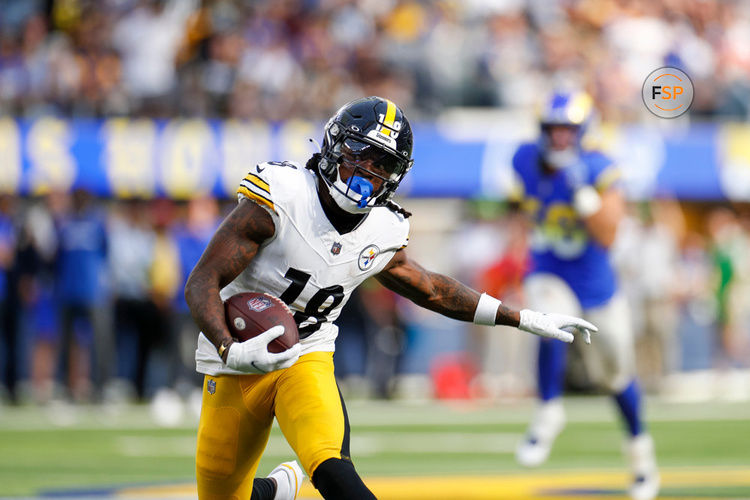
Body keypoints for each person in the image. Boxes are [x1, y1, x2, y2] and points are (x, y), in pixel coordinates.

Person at [185, 96, 596, 500]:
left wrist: (520, 317)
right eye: (360, 154)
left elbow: (431, 288)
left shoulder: (383, 228)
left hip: (305, 357)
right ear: (334, 144)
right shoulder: (283, 196)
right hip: (236, 360)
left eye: (383, 165)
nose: (367, 171)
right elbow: (202, 280)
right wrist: (227, 347)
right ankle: (275, 489)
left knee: (330, 467)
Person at [509, 90, 659, 500]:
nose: (559, 138)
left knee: (615, 376)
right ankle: (548, 411)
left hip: (597, 287)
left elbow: (608, 236)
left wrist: (585, 198)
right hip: (550, 271)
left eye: (567, 130)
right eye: (552, 130)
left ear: (582, 132)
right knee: (546, 317)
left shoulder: (599, 167)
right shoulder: (524, 159)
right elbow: (524, 209)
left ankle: (641, 459)